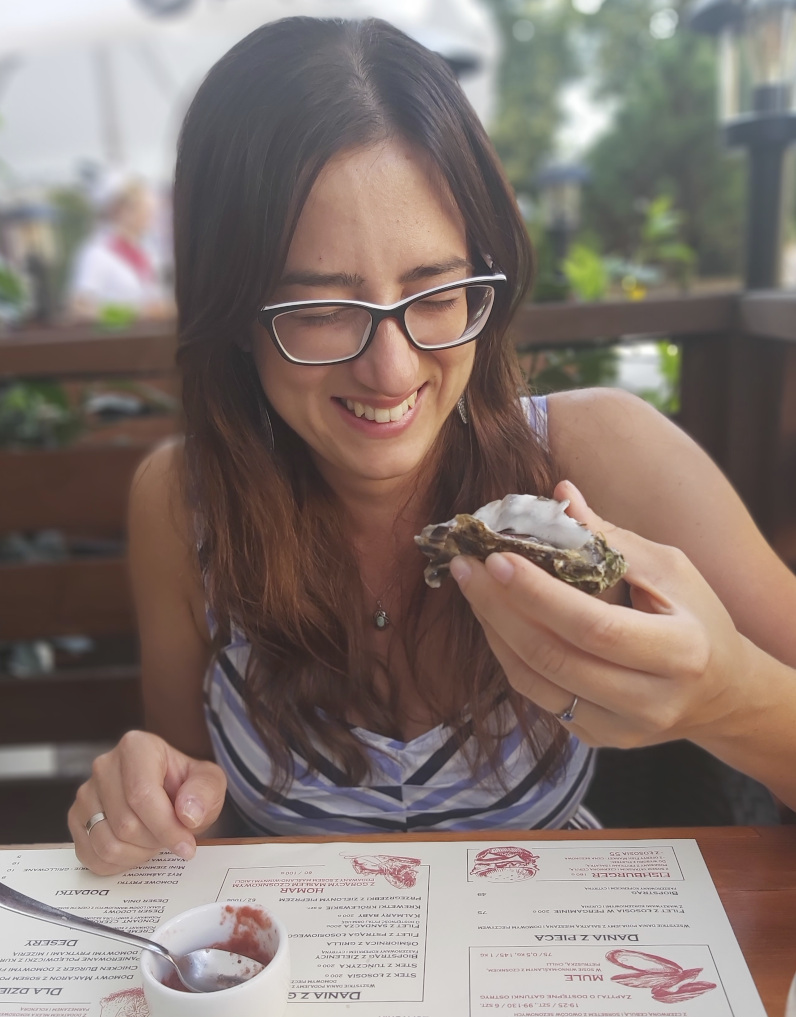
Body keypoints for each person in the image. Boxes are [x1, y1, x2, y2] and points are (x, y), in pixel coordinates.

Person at [68, 17, 796, 876]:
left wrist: (727, 699)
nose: (392, 367)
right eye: (321, 306)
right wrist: (146, 805)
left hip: (568, 963)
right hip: (311, 978)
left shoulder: (599, 453)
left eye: (437, 291)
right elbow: (187, 807)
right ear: (234, 315)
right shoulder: (184, 502)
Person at [67, 177, 174, 322]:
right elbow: (78, 308)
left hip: (147, 339)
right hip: (113, 341)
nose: (151, 218)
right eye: (146, 211)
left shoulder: (149, 251)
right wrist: (134, 314)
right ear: (123, 211)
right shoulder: (97, 252)